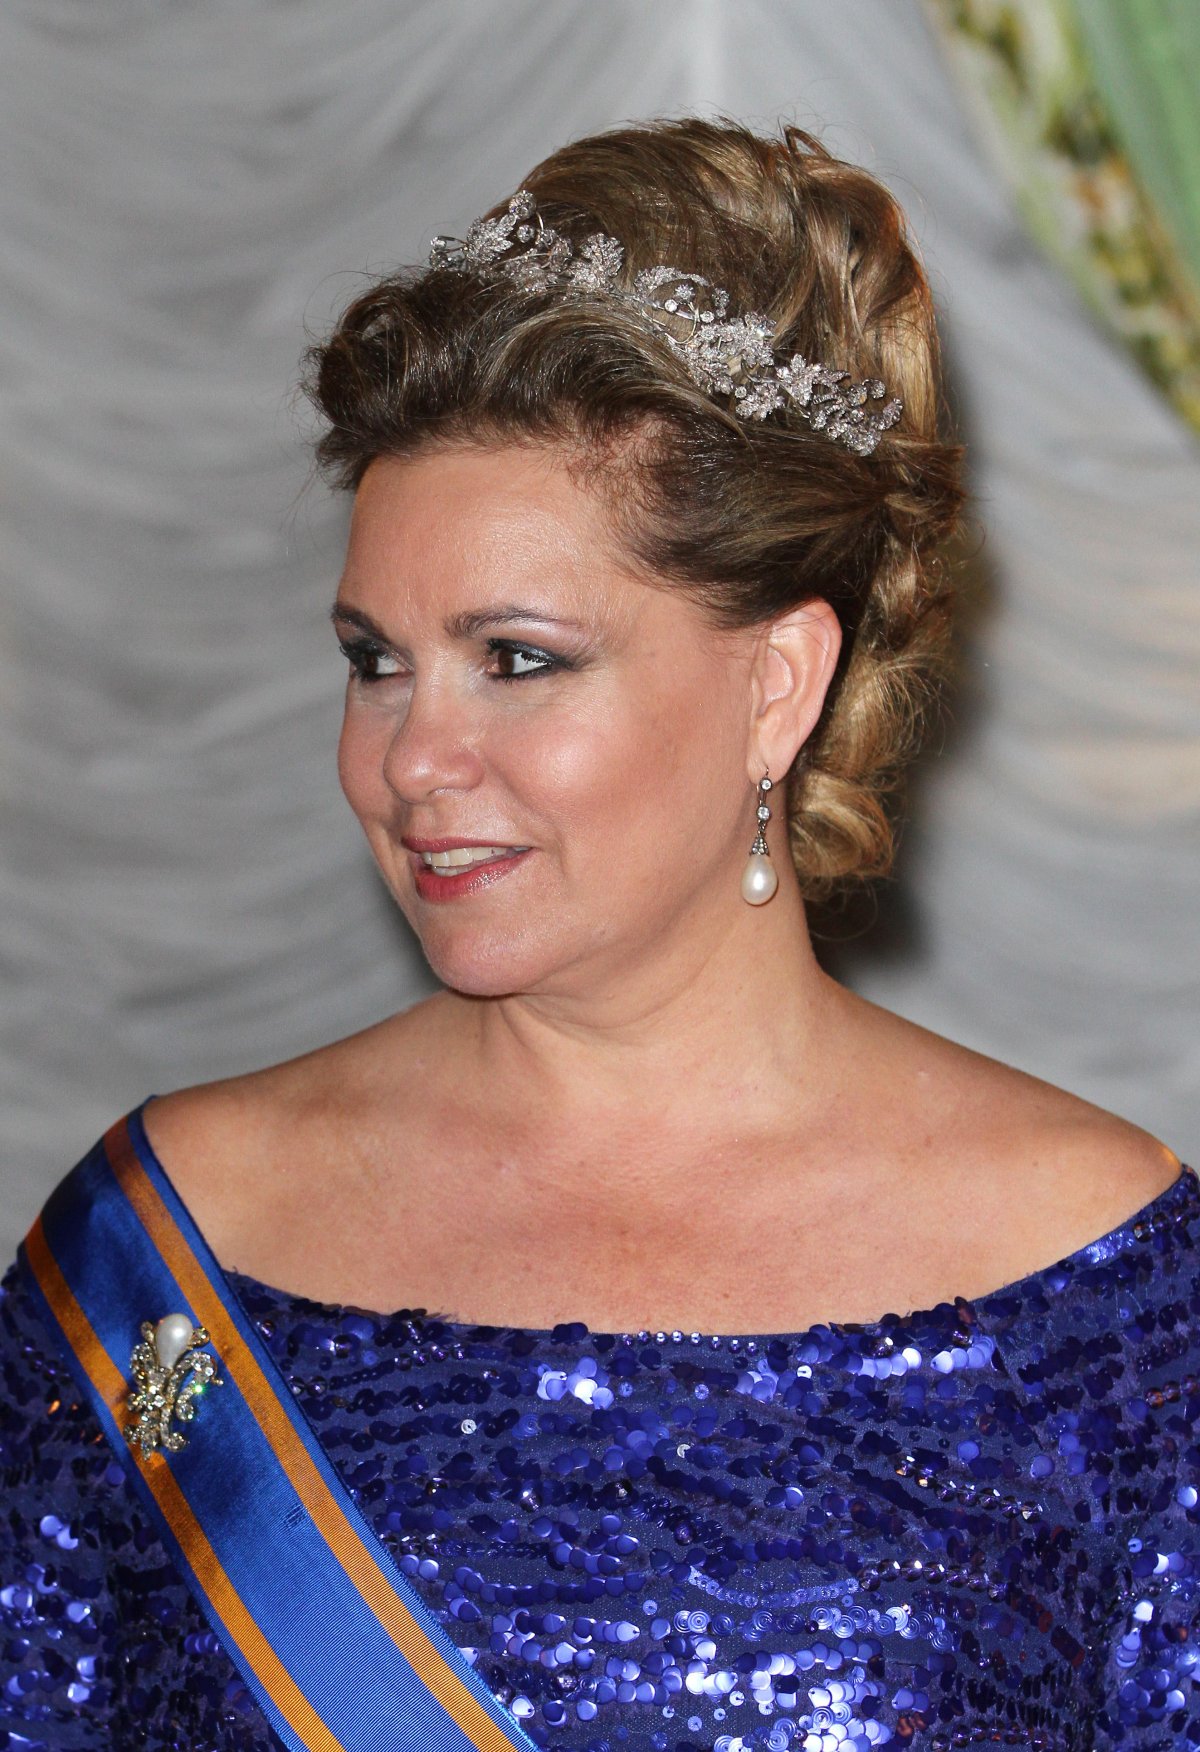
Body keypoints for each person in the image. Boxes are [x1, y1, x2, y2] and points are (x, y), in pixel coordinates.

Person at [1, 115, 1195, 1752]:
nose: (408, 761)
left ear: (776, 683)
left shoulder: (1098, 1286)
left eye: (517, 658)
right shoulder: (169, 1250)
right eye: (375, 660)